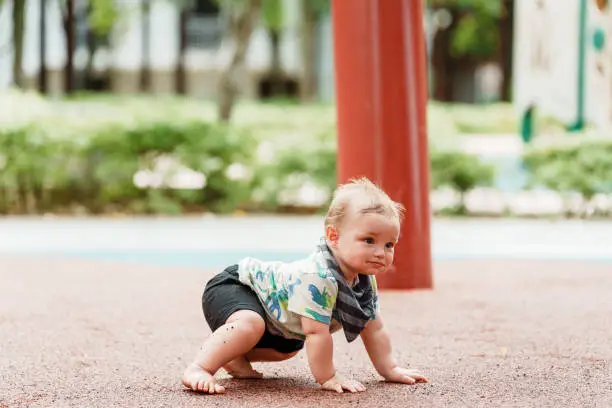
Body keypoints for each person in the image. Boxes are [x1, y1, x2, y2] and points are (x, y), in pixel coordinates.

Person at [182, 177, 428, 394]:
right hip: (237, 284)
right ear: (334, 237)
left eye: (389, 245)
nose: (380, 252)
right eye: (369, 240)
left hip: (275, 316)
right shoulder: (319, 276)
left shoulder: (363, 280)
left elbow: (373, 328)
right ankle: (199, 368)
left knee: (289, 347)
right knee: (251, 325)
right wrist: (328, 377)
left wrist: (390, 369)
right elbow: (316, 333)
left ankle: (234, 356)